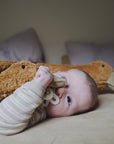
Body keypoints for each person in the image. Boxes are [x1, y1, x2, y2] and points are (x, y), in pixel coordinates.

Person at [0, 66, 98, 135]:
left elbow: (4, 123)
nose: (61, 90)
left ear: (67, 116)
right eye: (63, 79)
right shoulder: (36, 71)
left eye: (69, 100)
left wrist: (37, 87)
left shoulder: (39, 111)